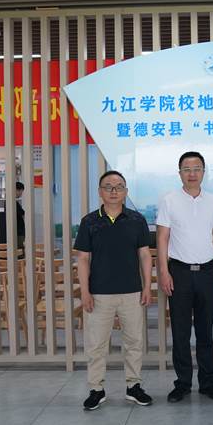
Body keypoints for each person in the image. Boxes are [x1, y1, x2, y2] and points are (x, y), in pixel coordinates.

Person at [74, 170, 153, 411]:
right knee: (96, 344)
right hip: (99, 293)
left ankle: (133, 386)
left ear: (126, 192)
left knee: (134, 341)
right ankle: (96, 389)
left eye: (119, 186)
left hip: (132, 292)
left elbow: (144, 255)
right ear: (100, 192)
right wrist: (84, 292)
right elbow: (83, 259)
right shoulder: (89, 221)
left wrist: (147, 286)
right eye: (108, 186)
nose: (113, 191)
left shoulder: (137, 220)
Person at [156, 151, 213, 403]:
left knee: (206, 332)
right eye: (187, 169)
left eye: (197, 169)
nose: (192, 173)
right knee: (181, 332)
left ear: (203, 172)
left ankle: (208, 384)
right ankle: (183, 384)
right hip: (179, 273)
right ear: (180, 173)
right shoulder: (169, 200)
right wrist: (163, 272)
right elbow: (162, 237)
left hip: (207, 272)